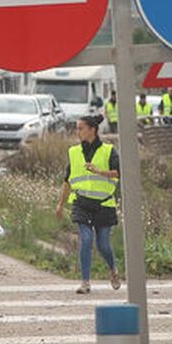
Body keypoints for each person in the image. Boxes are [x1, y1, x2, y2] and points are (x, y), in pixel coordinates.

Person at [53, 114, 120, 294]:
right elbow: (67, 180)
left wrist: (99, 172)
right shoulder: (74, 152)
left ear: (92, 130)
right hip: (81, 203)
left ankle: (113, 269)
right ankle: (85, 282)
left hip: (104, 204)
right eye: (77, 128)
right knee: (86, 239)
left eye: (80, 128)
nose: (77, 132)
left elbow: (119, 173)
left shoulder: (109, 150)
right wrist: (60, 204)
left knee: (103, 245)